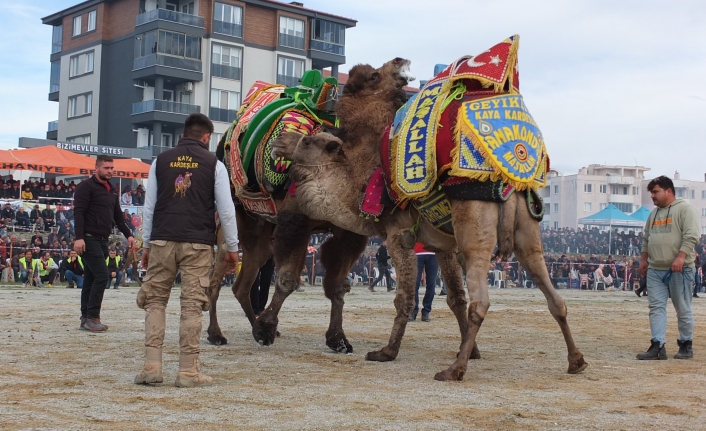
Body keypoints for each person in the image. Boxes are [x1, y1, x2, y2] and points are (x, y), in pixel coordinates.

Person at [134, 113, 239, 388]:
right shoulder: (214, 165)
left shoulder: (160, 161)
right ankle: (188, 372)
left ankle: (152, 367)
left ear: (184, 133)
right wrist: (233, 249)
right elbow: (226, 212)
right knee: (191, 306)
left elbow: (149, 207)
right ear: (207, 137)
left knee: (155, 301)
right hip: (198, 243)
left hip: (162, 240)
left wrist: (146, 244)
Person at [637, 176, 699, 361]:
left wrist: (680, 257)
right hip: (655, 269)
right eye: (651, 193)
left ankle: (685, 344)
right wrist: (643, 260)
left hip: (681, 269)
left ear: (668, 191)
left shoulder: (685, 209)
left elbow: (692, 235)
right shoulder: (653, 214)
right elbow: (646, 238)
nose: (652, 197)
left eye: (655, 192)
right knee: (655, 307)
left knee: (682, 308)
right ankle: (658, 345)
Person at [74, 155, 135, 332]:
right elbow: (79, 212)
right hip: (88, 237)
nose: (110, 170)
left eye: (111, 168)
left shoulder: (112, 189)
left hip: (102, 239)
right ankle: (93, 317)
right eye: (106, 168)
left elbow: (117, 215)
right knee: (102, 276)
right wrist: (79, 238)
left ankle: (85, 318)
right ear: (97, 168)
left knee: (92, 278)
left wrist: (129, 235)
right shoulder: (86, 187)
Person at [409, 243, 438, 322]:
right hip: (417, 253)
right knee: (414, 284)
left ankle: (426, 311)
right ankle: (413, 310)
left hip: (433, 254)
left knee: (431, 284)